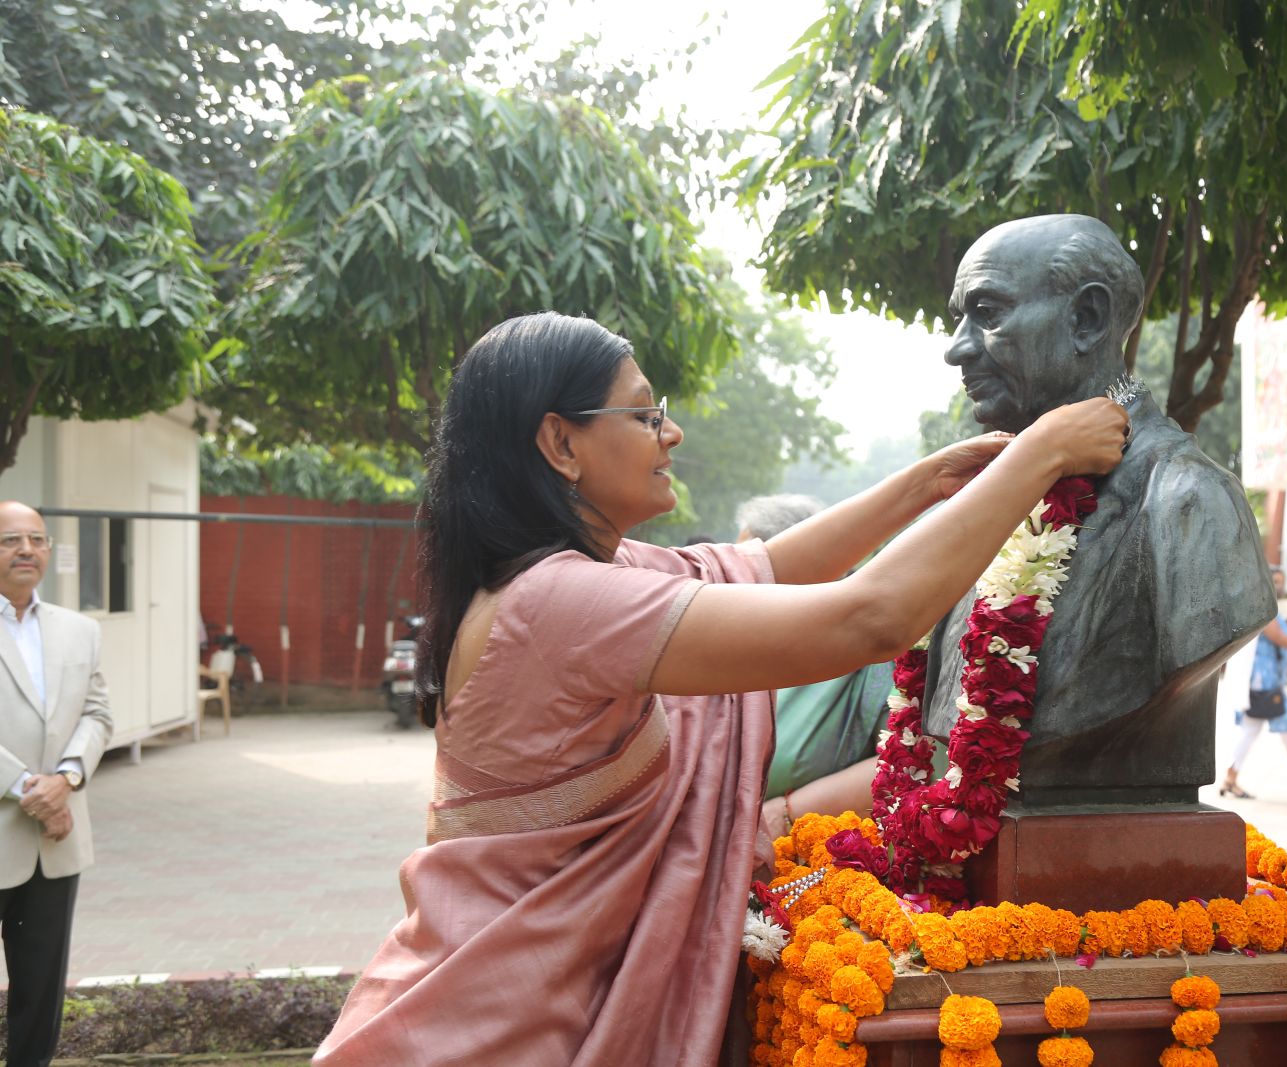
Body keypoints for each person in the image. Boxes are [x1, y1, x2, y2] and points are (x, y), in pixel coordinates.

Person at [312, 312, 1128, 1066]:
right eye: (641, 414)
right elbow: (869, 617)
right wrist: (1043, 453)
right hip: (489, 1031)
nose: (670, 431)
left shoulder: (575, 576)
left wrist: (930, 480)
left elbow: (769, 567)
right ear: (560, 443)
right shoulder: (559, 602)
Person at [921, 214, 1275, 807]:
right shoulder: (996, 493)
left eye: (987, 313)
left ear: (1086, 320)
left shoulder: (1187, 500)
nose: (957, 348)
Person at [0, 501, 114, 1067]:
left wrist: (66, 779)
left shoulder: (79, 630)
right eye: (10, 540)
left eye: (37, 539)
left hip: (55, 842)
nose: (26, 549)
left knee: (41, 991)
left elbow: (97, 714)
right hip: (13, 821)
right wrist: (31, 788)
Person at [731, 494, 891, 843]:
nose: (731, 584)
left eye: (747, 569)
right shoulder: (741, 646)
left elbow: (904, 761)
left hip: (823, 861)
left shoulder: (872, 649)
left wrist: (784, 815)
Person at [1219, 566, 1287, 799]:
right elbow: (1277, 638)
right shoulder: (1261, 606)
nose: (1279, 586)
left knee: (1270, 728)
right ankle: (1231, 778)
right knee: (1264, 727)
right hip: (1262, 680)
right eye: (1275, 581)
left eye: (1281, 581)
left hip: (1266, 679)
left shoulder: (1266, 605)